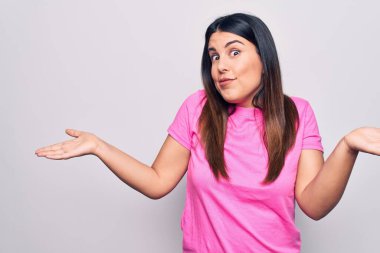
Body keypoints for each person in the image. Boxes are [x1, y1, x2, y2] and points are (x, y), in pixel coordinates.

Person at [35, 12, 380, 253]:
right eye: (214, 56)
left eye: (234, 52)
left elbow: (314, 204)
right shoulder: (197, 109)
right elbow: (157, 182)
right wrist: (99, 146)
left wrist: (349, 146)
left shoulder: (297, 114)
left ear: (264, 58)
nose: (221, 66)